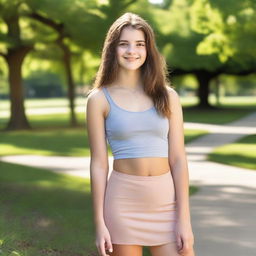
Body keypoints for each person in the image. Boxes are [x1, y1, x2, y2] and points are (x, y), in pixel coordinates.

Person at [86, 12, 195, 256]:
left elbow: (178, 159)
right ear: (112, 49)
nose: (131, 51)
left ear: (148, 50)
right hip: (122, 205)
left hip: (167, 204)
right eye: (123, 44)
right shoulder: (99, 99)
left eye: (139, 44)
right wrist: (99, 222)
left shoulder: (168, 97)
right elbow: (99, 164)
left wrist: (184, 219)